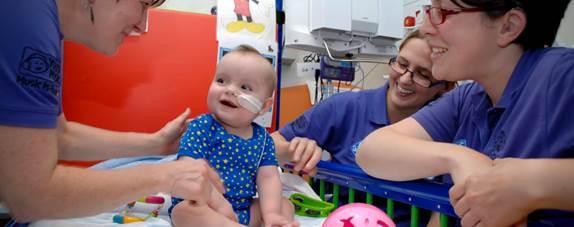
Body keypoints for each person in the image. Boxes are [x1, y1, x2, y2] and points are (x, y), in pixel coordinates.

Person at [0, 0, 224, 223]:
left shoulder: (44, 23)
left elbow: (59, 135)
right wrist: (166, 175)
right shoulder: (26, 16)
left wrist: (157, 143)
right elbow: (30, 196)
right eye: (143, 4)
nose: (141, 24)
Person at [356, 0, 574, 226]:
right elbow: (371, 150)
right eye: (430, 11)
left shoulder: (563, 77)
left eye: (442, 12)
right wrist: (458, 158)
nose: (425, 28)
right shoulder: (469, 98)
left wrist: (532, 183)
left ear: (508, 26)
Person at [271, 29, 456, 226]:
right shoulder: (344, 107)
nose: (404, 79)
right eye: (401, 64)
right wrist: (295, 150)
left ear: (445, 86)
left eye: (423, 75)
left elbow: (447, 205)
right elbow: (268, 144)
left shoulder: (451, 129)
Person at [169, 45, 298, 227]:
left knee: (284, 206)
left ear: (263, 106)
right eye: (221, 80)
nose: (230, 90)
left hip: (243, 210)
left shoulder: (263, 140)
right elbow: (187, 169)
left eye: (245, 87)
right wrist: (218, 206)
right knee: (183, 211)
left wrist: (271, 214)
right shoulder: (202, 127)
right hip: (204, 206)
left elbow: (268, 178)